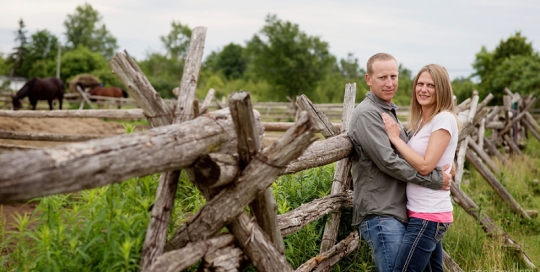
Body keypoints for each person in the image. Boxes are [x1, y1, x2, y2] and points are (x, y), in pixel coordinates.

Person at [347, 53, 452, 272]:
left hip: (402, 212)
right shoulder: (367, 114)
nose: (390, 83)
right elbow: (389, 161)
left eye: (393, 76)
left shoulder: (388, 111)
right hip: (382, 213)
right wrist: (434, 179)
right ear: (369, 79)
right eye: (383, 77)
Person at [381, 64, 458, 271]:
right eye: (420, 84)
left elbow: (425, 166)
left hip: (428, 215)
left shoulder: (443, 119)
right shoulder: (425, 121)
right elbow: (443, 157)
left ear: (441, 89)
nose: (423, 89)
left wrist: (396, 139)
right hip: (421, 212)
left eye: (431, 85)